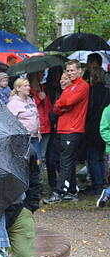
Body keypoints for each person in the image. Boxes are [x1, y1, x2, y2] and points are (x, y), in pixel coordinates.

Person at [46, 60, 89, 204]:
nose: (70, 73)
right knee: (67, 160)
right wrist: (60, 105)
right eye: (68, 70)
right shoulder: (70, 87)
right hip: (63, 128)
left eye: (72, 70)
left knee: (66, 161)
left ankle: (59, 192)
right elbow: (58, 106)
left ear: (79, 71)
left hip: (73, 128)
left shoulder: (82, 86)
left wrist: (61, 105)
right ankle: (72, 191)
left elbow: (68, 102)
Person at [83, 68, 110, 195]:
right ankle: (103, 183)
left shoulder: (90, 91)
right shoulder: (108, 92)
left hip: (92, 127)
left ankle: (97, 186)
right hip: (104, 125)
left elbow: (88, 110)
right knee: (102, 157)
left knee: (94, 158)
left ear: (92, 77)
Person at [7, 78, 41, 156]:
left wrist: (38, 131)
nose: (28, 87)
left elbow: (37, 116)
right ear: (18, 88)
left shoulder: (31, 100)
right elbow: (9, 123)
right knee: (26, 164)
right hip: (22, 139)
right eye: (25, 86)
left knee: (38, 163)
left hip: (34, 137)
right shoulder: (13, 103)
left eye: (28, 85)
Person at [28, 71, 52, 164]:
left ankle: (39, 176)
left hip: (47, 125)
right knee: (36, 155)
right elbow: (30, 108)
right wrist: (39, 99)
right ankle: (36, 176)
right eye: (41, 73)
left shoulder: (43, 88)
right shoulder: (28, 90)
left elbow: (48, 106)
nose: (43, 75)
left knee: (42, 155)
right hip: (37, 127)